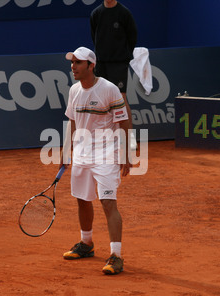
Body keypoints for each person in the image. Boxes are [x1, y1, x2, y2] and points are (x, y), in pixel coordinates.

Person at [60, 47, 131, 275]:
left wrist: (127, 153)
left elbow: (124, 122)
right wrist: (67, 150)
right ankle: (86, 244)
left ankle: (116, 256)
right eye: (72, 63)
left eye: (78, 63)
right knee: (82, 199)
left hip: (106, 154)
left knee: (108, 203)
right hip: (82, 153)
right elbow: (72, 121)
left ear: (91, 66)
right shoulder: (73, 90)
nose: (73, 66)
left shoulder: (109, 89)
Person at [90, 0, 138, 148]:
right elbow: (95, 37)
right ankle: (106, 138)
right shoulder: (96, 14)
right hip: (101, 63)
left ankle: (129, 138)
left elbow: (132, 37)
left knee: (121, 99)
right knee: (103, 101)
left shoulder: (124, 13)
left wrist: (122, 55)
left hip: (118, 63)